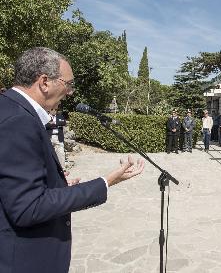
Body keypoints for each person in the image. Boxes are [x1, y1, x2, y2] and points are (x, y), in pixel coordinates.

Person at [0, 47, 144, 273]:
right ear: (44, 82)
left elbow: (15, 188)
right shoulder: (18, 121)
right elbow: (28, 207)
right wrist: (106, 182)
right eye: (68, 84)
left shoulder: (11, 110)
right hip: (24, 260)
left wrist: (56, 184)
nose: (70, 92)